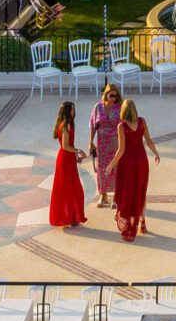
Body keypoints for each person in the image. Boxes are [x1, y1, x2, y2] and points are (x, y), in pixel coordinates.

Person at [112, 97, 161, 242]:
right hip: (141, 161)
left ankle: (128, 224)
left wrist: (111, 164)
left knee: (128, 192)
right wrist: (156, 153)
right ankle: (142, 222)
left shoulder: (121, 127)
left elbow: (121, 150)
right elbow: (149, 140)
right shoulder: (142, 122)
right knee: (141, 191)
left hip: (127, 163)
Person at [47, 101, 88, 229]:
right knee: (71, 188)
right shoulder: (67, 125)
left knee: (68, 188)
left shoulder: (63, 124)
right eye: (72, 110)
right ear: (67, 111)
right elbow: (65, 146)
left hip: (66, 159)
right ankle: (70, 217)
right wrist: (78, 151)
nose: (74, 112)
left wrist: (74, 154)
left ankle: (70, 217)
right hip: (65, 160)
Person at [89, 81, 124, 209]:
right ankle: (103, 195)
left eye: (116, 96)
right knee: (101, 168)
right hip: (101, 142)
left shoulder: (119, 107)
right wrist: (90, 142)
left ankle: (116, 196)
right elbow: (93, 125)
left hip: (115, 141)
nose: (114, 98)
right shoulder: (98, 107)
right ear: (106, 95)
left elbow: (124, 125)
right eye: (111, 96)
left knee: (116, 168)